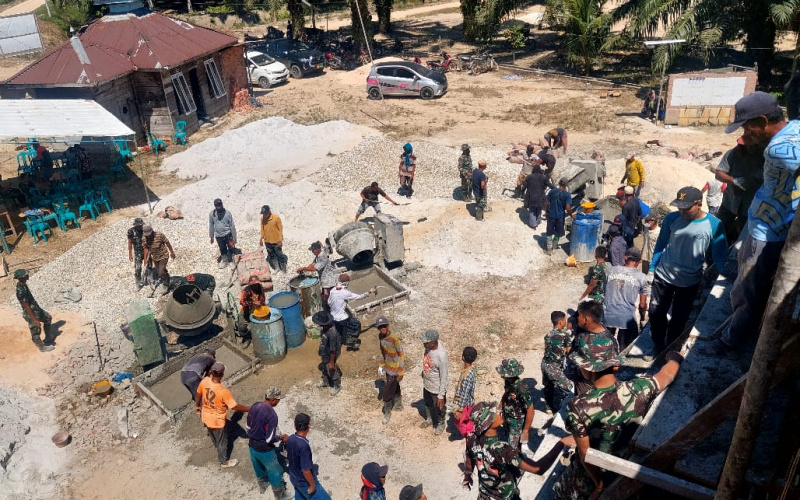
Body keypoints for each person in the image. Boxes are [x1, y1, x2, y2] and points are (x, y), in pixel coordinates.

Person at [715, 92, 800, 354]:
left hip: (767, 229)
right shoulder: (796, 126)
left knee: (746, 286)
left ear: (763, 120)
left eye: (747, 125)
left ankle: (733, 336)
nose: (745, 132)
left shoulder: (777, 150)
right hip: (777, 224)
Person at [553, 342, 684, 500]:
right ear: (615, 367)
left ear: (586, 369)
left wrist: (599, 484)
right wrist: (675, 358)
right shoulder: (639, 388)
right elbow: (667, 375)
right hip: (624, 463)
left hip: (591, 475)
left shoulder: (578, 407)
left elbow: (586, 455)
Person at [648, 186, 728, 354]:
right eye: (679, 207)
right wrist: (651, 269)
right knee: (655, 313)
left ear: (699, 204)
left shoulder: (714, 224)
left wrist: (725, 278)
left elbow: (720, 255)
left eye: (686, 208)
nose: (682, 211)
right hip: (663, 276)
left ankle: (669, 348)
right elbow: (661, 244)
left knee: (679, 318)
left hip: (689, 281)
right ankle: (657, 344)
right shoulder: (671, 219)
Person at [463, 402, 574, 499]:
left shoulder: (472, 439)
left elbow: (469, 458)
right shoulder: (503, 450)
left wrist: (467, 475)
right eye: (495, 413)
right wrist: (562, 443)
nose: (499, 412)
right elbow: (538, 469)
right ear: (488, 423)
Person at [195, 362, 250, 468]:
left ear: (211, 372)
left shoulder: (205, 381)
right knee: (223, 440)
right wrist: (249, 409)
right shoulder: (223, 391)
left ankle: (217, 447)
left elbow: (198, 394)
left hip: (205, 416)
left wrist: (197, 406)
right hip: (217, 421)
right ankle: (224, 461)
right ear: (222, 374)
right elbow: (234, 406)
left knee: (212, 435)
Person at [714, 137, 765, 244]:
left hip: (751, 206)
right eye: (742, 146)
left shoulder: (765, 157)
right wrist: (734, 180)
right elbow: (719, 173)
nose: (745, 148)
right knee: (719, 228)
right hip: (730, 202)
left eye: (749, 146)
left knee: (743, 235)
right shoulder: (732, 154)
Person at [567, 300, 619, 396]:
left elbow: (614, 367)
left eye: (579, 315)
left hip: (588, 386)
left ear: (586, 320)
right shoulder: (583, 330)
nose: (577, 318)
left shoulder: (607, 342)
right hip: (580, 380)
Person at [247, 387, 292, 499]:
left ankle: (262, 485)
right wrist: (281, 438)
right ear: (273, 400)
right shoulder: (272, 415)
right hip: (265, 449)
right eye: (278, 399)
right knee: (275, 470)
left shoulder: (254, 406)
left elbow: (248, 427)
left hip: (252, 444)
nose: (278, 401)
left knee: (257, 465)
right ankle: (280, 495)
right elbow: (269, 439)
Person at [604, 247, 650, 350]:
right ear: (639, 261)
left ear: (625, 257)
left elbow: (605, 291)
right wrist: (642, 318)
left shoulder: (610, 271)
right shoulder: (642, 277)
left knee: (606, 349)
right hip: (626, 319)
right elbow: (642, 305)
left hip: (608, 316)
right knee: (626, 349)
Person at [287, 413, 332, 500]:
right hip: (304, 482)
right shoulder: (304, 446)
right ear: (309, 426)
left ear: (294, 426)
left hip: (294, 477)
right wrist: (312, 485)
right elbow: (306, 470)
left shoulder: (291, 438)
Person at [328, 274, 375, 348]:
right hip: (342, 318)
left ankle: (341, 337)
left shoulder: (332, 290)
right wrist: (369, 292)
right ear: (346, 283)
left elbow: (329, 302)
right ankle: (349, 339)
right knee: (356, 324)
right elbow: (359, 297)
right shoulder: (345, 292)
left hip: (332, 317)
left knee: (341, 328)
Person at [496, 358, 534, 450]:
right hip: (507, 416)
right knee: (508, 439)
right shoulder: (508, 382)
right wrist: (499, 409)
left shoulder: (522, 388)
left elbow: (531, 410)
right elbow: (506, 394)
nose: (501, 375)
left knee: (513, 449)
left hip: (517, 423)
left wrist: (525, 431)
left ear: (510, 375)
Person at [541, 311, 574, 415]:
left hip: (545, 364)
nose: (566, 322)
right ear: (560, 322)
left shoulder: (547, 335)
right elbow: (569, 352)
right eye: (565, 320)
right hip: (554, 367)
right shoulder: (565, 335)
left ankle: (548, 408)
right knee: (568, 387)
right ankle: (561, 408)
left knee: (548, 386)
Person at [14, 269, 55, 352]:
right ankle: (42, 347)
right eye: (26, 275)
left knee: (47, 318)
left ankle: (48, 338)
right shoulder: (20, 290)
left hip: (36, 309)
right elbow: (26, 306)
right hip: (31, 313)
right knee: (35, 329)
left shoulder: (23, 285)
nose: (28, 276)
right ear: (22, 277)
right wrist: (34, 319)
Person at [420, 329, 448, 435]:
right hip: (427, 384)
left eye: (426, 342)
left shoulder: (442, 355)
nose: (423, 343)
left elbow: (444, 376)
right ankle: (430, 419)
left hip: (436, 388)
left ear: (432, 342)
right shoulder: (428, 348)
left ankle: (441, 424)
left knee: (439, 407)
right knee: (428, 403)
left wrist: (441, 395)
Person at [377, 316, 405, 425]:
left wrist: (401, 372)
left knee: (387, 393)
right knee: (395, 386)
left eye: (384, 326)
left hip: (395, 369)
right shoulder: (381, 337)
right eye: (380, 327)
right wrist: (381, 365)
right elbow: (382, 352)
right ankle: (398, 404)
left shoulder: (394, 338)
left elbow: (401, 355)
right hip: (388, 368)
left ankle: (387, 412)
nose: (382, 329)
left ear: (387, 326)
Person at [297, 241, 338, 307]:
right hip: (323, 278)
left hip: (328, 279)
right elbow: (313, 264)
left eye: (313, 250)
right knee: (324, 294)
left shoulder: (322, 256)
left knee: (327, 295)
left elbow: (315, 268)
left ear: (317, 249)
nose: (312, 252)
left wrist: (304, 268)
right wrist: (304, 269)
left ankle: (330, 308)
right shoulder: (318, 256)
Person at [313, 311, 342, 396]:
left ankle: (337, 385)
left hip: (331, 354)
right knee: (324, 366)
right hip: (326, 352)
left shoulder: (332, 333)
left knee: (330, 368)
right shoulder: (325, 329)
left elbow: (333, 350)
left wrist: (332, 362)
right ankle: (325, 382)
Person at [141, 225, 176, 292]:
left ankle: (166, 285)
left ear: (152, 231)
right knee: (161, 271)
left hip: (163, 255)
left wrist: (172, 252)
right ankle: (167, 277)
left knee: (160, 273)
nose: (148, 236)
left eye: (149, 234)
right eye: (147, 235)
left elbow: (167, 243)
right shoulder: (144, 238)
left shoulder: (160, 235)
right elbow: (146, 248)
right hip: (155, 257)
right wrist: (145, 259)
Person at [544, 177, 574, 255]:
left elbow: (547, 203)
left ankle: (549, 249)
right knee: (557, 232)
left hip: (551, 215)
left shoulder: (552, 191)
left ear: (559, 183)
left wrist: (546, 211)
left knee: (549, 232)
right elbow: (568, 208)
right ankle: (554, 246)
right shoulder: (567, 195)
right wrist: (572, 215)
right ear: (566, 185)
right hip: (560, 217)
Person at [452, 346, 478, 436]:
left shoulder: (467, 374)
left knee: (462, 422)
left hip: (465, 404)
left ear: (463, 357)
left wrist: (460, 409)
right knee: (468, 420)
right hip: (468, 402)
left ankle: (468, 436)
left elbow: (465, 393)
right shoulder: (470, 371)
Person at [523, 160, 555, 229]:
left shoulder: (529, 177)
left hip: (531, 196)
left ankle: (533, 224)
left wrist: (522, 192)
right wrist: (556, 189)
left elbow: (524, 186)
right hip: (541, 196)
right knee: (539, 209)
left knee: (532, 209)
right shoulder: (543, 177)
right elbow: (550, 185)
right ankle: (537, 221)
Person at [238, 275, 266, 347]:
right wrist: (252, 302)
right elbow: (242, 301)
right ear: (250, 284)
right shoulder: (246, 290)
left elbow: (262, 299)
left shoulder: (260, 288)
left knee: (261, 323)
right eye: (253, 285)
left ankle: (259, 337)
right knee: (242, 327)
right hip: (246, 310)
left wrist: (262, 306)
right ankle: (247, 338)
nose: (255, 286)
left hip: (256, 309)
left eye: (256, 284)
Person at [259, 205, 288, 273]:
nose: (264, 215)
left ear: (269, 212)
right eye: (263, 214)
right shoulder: (262, 218)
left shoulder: (276, 218)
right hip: (267, 241)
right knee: (271, 255)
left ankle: (283, 269)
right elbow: (262, 229)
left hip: (276, 241)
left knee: (279, 255)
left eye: (265, 213)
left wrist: (280, 240)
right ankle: (276, 268)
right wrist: (261, 238)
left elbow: (280, 229)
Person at [209, 198, 237, 267]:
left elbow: (232, 225)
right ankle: (225, 261)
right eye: (217, 206)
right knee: (222, 248)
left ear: (222, 204)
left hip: (227, 234)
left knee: (231, 247)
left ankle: (232, 260)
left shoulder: (227, 213)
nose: (219, 207)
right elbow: (211, 225)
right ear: (215, 206)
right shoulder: (212, 214)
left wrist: (234, 237)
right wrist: (211, 236)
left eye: (219, 205)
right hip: (218, 235)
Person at [127, 218, 145, 289]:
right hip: (137, 252)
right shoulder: (131, 231)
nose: (140, 227)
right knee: (138, 268)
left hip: (146, 250)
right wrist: (130, 254)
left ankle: (150, 279)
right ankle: (138, 282)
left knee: (148, 266)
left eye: (141, 225)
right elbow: (130, 242)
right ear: (135, 226)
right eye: (138, 226)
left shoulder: (145, 230)